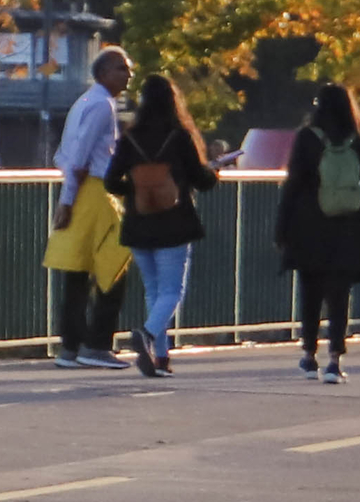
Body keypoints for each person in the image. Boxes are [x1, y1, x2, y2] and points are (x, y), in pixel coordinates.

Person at [102, 74, 230, 376]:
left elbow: (110, 181)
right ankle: (146, 335)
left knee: (153, 290)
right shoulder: (179, 136)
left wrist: (135, 193)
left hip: (138, 222)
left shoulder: (130, 137)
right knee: (172, 290)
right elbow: (201, 180)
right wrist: (215, 172)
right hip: (173, 222)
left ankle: (161, 358)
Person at [277, 83, 360, 383]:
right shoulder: (358, 140)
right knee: (339, 295)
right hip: (349, 225)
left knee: (310, 290)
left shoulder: (307, 138)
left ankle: (309, 353)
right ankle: (335, 359)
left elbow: (293, 184)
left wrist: (282, 228)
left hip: (309, 223)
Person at [42, 46, 135, 368]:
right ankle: (96, 343)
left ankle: (71, 346)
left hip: (81, 193)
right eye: (122, 69)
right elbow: (81, 158)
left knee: (78, 272)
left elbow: (65, 155)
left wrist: (67, 198)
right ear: (105, 72)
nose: (128, 75)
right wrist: (68, 201)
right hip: (94, 194)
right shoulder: (102, 107)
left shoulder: (84, 102)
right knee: (114, 266)